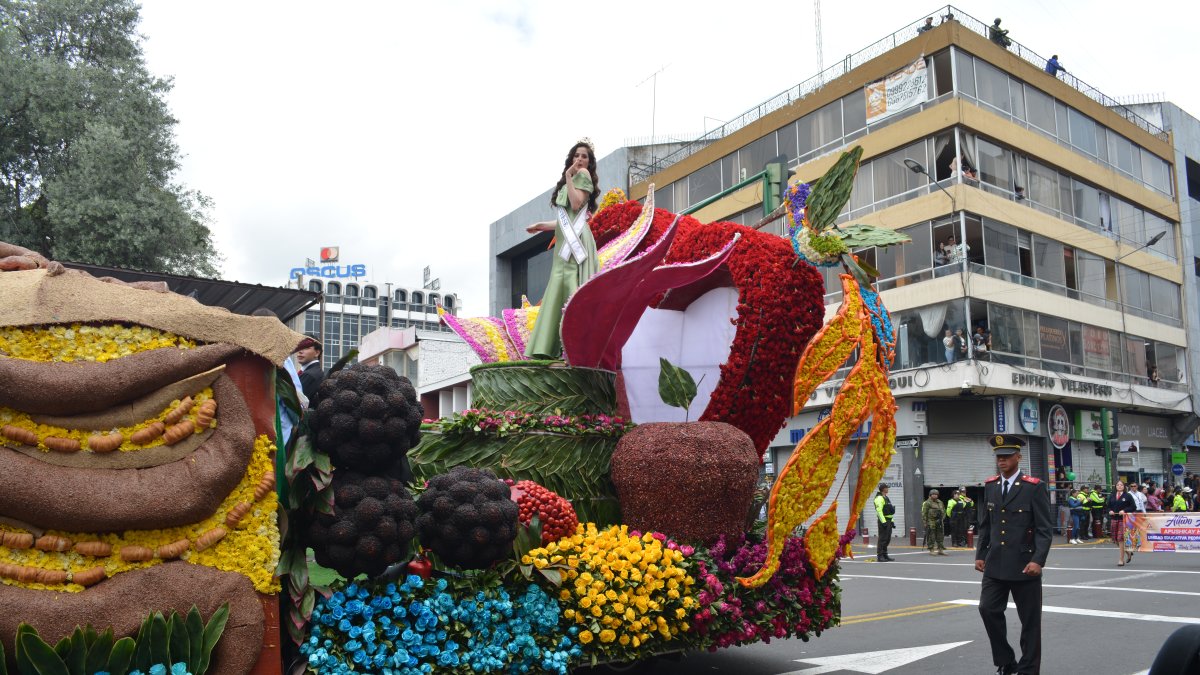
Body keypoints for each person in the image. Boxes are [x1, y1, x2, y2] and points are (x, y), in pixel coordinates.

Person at [976, 435, 1052, 675]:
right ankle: (1006, 660)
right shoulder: (991, 485)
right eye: (999, 457)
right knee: (987, 609)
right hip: (995, 564)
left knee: (1030, 622)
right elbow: (986, 524)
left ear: (1019, 457)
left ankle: (1029, 669)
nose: (1002, 461)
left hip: (1024, 565)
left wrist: (1038, 560)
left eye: (1007, 456)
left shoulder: (1034, 487)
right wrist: (980, 554)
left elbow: (1043, 529)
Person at [524, 139, 601, 359]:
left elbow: (576, 205)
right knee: (559, 289)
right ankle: (553, 348)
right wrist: (541, 226)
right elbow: (565, 220)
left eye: (584, 156)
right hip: (564, 243)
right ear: (571, 158)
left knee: (572, 289)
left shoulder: (582, 176)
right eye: (576, 155)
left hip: (576, 243)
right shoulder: (573, 179)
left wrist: (569, 176)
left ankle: (570, 347)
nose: (579, 159)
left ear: (589, 162)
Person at [1107, 481, 1136, 566]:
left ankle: (1121, 559)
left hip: (1123, 520)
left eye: (1121, 485)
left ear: (1124, 486)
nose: (1119, 486)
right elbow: (1107, 506)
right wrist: (1110, 511)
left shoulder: (1128, 496)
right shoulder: (1112, 495)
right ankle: (1128, 552)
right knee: (1115, 539)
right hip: (1113, 519)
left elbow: (1133, 507)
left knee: (1120, 539)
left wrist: (1124, 510)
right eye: (1118, 485)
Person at [294, 335, 325, 404]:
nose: (300, 351)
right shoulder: (313, 372)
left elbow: (294, 403)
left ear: (317, 353)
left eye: (306, 347)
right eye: (299, 347)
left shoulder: (310, 375)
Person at [874, 483, 896, 561]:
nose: (888, 489)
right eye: (887, 488)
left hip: (889, 520)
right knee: (882, 539)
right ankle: (880, 556)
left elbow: (889, 511)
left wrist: (892, 521)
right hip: (884, 521)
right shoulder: (879, 498)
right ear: (883, 489)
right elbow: (879, 511)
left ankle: (885, 554)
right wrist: (883, 522)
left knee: (887, 539)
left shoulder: (886, 497)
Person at [922, 489, 947, 555]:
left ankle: (940, 549)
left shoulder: (940, 502)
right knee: (931, 536)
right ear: (930, 495)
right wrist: (925, 522)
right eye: (933, 494)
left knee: (940, 535)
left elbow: (944, 511)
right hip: (931, 521)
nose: (935, 496)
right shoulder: (927, 503)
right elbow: (924, 513)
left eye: (936, 494)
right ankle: (931, 549)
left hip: (939, 521)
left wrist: (942, 518)